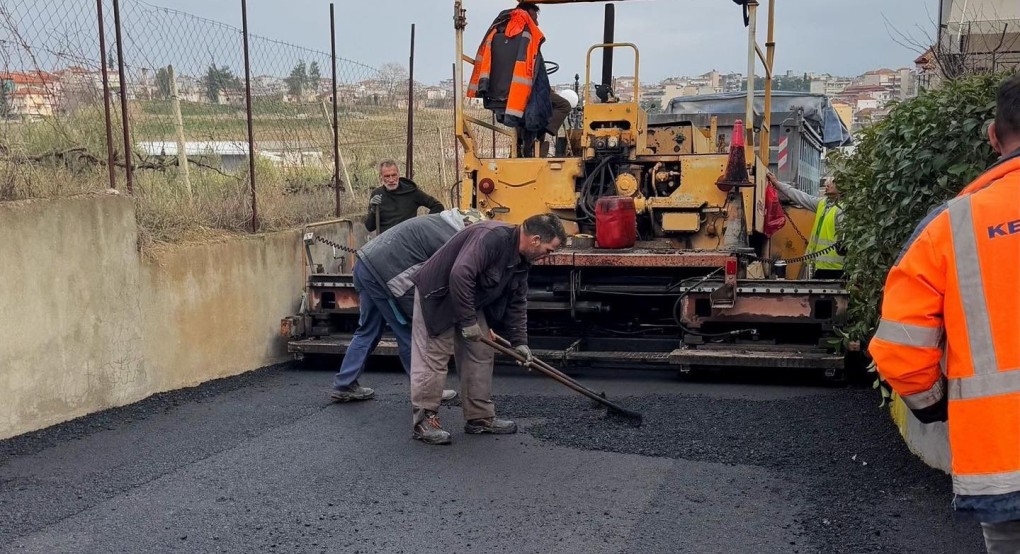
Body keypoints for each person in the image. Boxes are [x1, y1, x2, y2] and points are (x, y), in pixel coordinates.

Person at [868, 73, 1020, 553]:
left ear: (994, 136)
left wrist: (933, 407)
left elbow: (900, 349)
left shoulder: (951, 228)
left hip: (1004, 458)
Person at [408, 213, 567, 445]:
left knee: (480, 353)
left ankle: (479, 417)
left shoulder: (522, 260)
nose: (547, 256)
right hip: (438, 296)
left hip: (469, 301)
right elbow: (460, 273)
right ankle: (425, 421)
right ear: (534, 240)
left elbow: (517, 302)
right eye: (548, 250)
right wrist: (468, 321)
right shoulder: (491, 238)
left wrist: (519, 342)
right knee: (434, 356)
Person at [330, 208, 486, 403]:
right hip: (381, 276)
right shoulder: (448, 237)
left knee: (367, 330)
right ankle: (424, 389)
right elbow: (447, 279)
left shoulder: (436, 221)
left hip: (365, 266)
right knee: (409, 331)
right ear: (468, 225)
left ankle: (345, 383)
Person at [766, 171, 845, 279]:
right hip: (823, 267)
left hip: (836, 269)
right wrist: (778, 184)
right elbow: (801, 197)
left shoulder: (842, 209)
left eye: (832, 183)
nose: (827, 184)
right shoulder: (824, 204)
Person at [364, 159, 444, 235]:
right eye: (387, 176)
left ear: (398, 174)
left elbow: (437, 206)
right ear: (380, 177)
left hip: (409, 240)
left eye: (394, 175)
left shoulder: (411, 191)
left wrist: (423, 224)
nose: (391, 180)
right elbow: (369, 227)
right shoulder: (377, 194)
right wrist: (373, 209)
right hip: (387, 243)